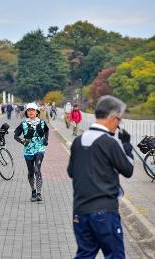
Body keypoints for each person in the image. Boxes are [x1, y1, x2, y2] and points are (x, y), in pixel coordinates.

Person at [67, 95, 134, 258]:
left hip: (80, 210)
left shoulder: (78, 141)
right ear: (112, 118)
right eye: (119, 120)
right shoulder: (109, 142)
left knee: (85, 254)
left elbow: (71, 172)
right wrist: (127, 146)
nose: (119, 124)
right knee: (115, 255)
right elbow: (128, 170)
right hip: (104, 211)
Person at [14, 103, 49, 202]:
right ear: (26, 112)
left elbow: (47, 130)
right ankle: (33, 191)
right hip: (28, 151)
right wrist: (23, 141)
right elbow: (16, 135)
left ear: (37, 112)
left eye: (32, 110)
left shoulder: (42, 123)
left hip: (39, 149)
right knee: (31, 172)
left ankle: (39, 193)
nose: (30, 112)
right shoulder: (24, 124)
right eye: (28, 110)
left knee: (37, 169)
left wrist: (46, 139)